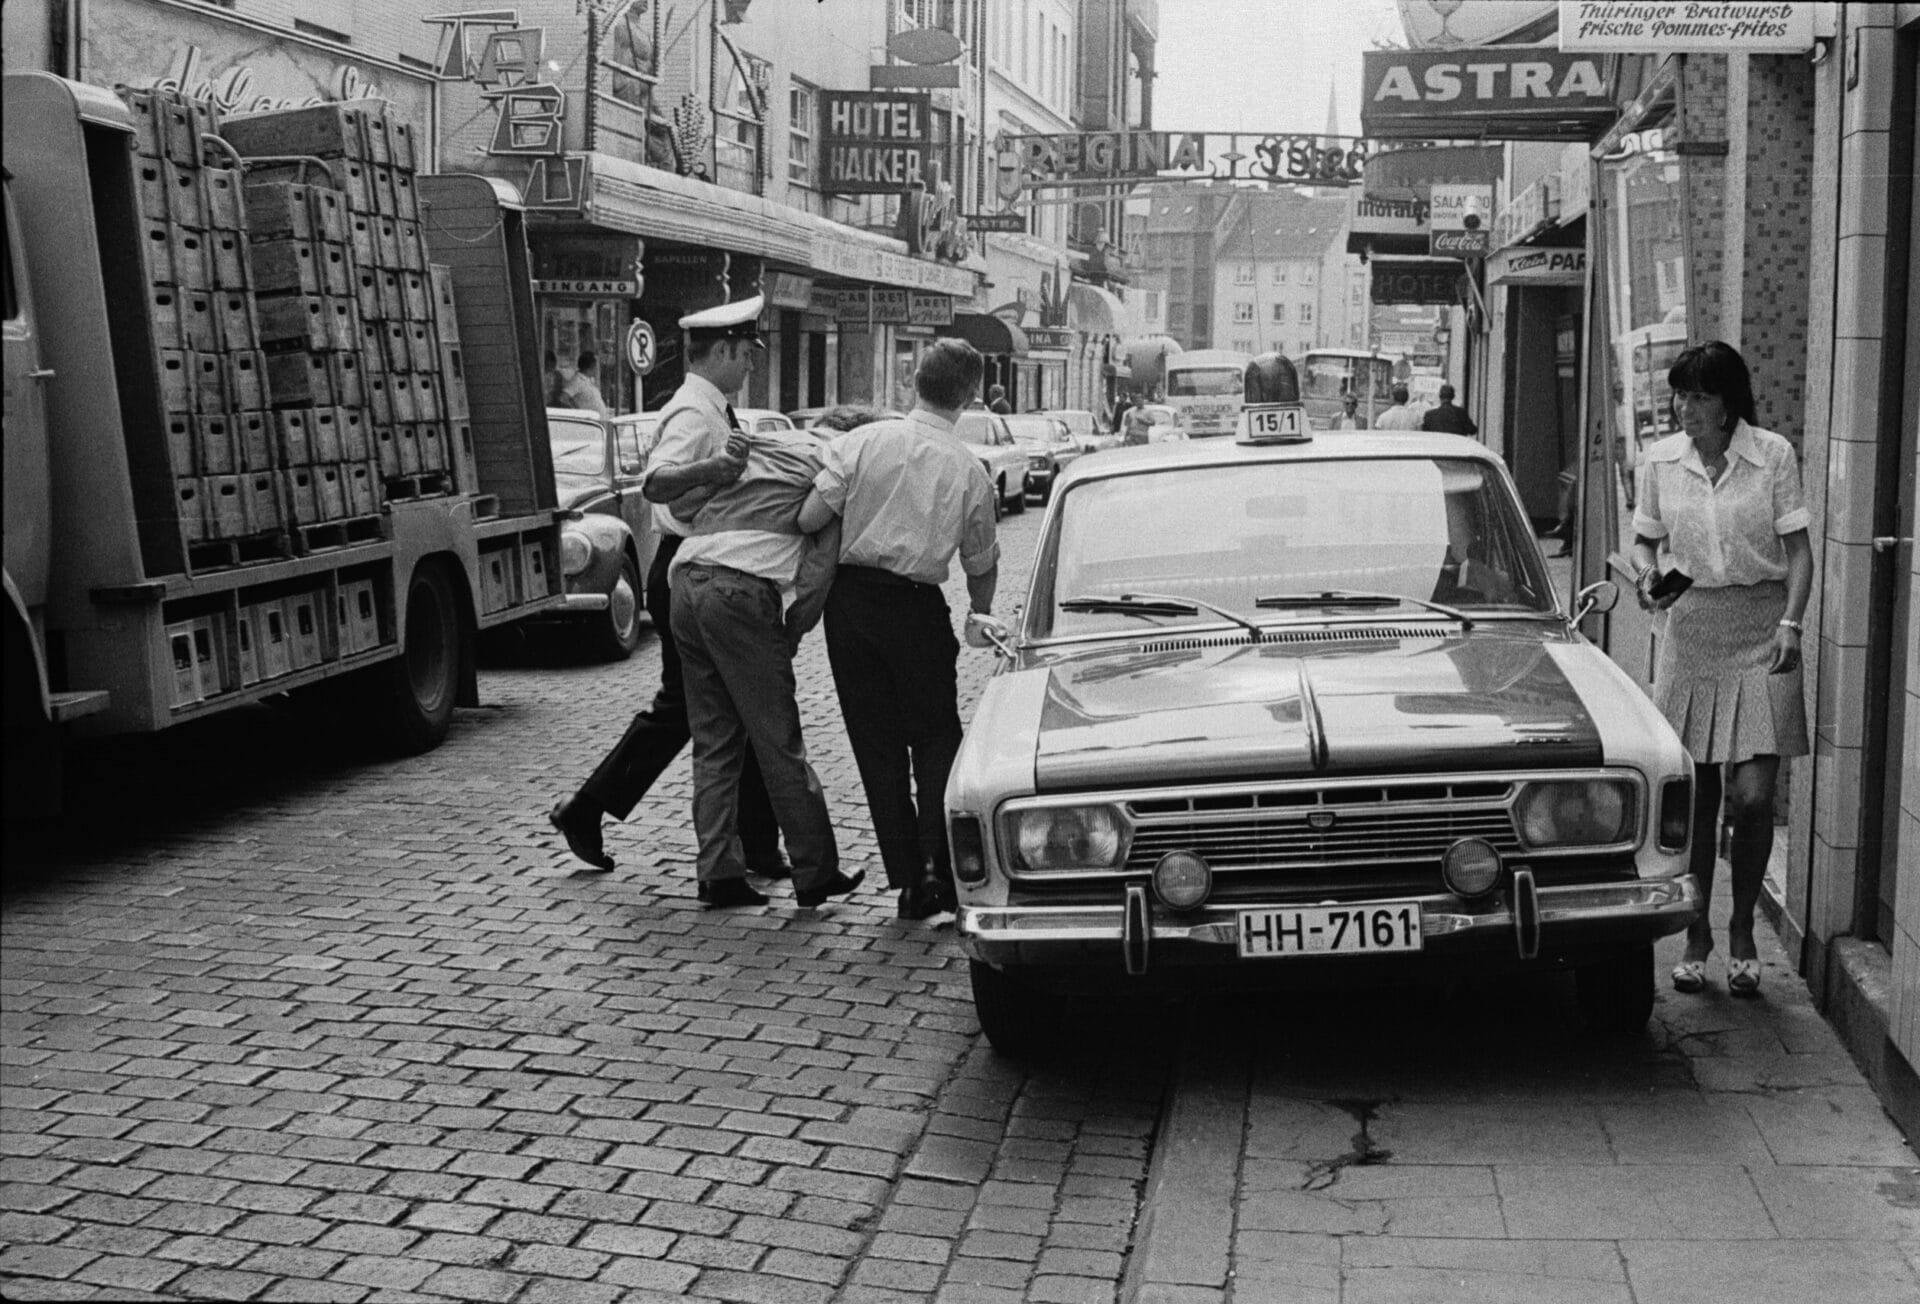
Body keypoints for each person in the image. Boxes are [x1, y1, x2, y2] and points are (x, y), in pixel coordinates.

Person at [547, 305, 787, 899]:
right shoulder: (691, 408)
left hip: (693, 565)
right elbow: (657, 481)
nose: (751, 365)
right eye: (747, 354)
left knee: (716, 708)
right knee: (704, 709)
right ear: (726, 350)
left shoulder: (709, 404)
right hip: (685, 565)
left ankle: (756, 841)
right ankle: (587, 806)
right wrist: (715, 467)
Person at [660, 296, 862, 911]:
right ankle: (815, 871)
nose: (749, 363)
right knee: (779, 739)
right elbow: (821, 564)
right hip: (739, 594)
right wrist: (794, 627)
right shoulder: (830, 469)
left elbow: (692, 508)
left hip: (686, 580)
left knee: (716, 738)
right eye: (745, 352)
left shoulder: (769, 444)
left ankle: (718, 872)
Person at [1630, 340, 1811, 997]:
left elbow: (1799, 552)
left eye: (1700, 396)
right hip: (1692, 629)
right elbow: (1646, 537)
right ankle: (1697, 933)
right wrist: (1650, 576)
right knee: (1698, 798)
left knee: (1755, 796)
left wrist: (1791, 623)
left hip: (1762, 630)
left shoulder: (1772, 456)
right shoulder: (1661, 460)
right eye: (1680, 395)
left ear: (1730, 402)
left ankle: (1742, 929)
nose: (1686, 408)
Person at [797, 339, 1000, 920]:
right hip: (917, 609)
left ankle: (907, 878)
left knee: (876, 744)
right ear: (967, 395)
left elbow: (810, 516)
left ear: (914, 382)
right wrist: (976, 616)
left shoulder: (861, 442)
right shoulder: (968, 469)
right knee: (936, 735)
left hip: (852, 607)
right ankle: (937, 871)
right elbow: (980, 562)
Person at [558, 351, 610, 417]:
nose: (597, 368)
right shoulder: (577, 381)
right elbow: (562, 399)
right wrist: (579, 413)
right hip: (588, 423)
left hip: (599, 423)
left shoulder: (589, 380)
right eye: (596, 365)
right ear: (591, 366)